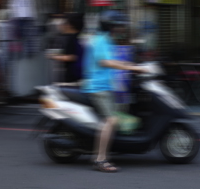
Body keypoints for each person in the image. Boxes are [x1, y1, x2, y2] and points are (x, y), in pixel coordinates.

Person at [82, 10, 145, 173]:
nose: (121, 29)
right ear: (111, 26)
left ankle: (99, 154)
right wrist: (131, 67)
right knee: (111, 120)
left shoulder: (106, 40)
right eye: (119, 26)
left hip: (105, 86)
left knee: (111, 120)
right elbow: (105, 62)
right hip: (99, 87)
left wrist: (133, 66)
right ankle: (100, 160)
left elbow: (113, 61)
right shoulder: (101, 40)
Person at [48, 13, 84, 84]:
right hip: (81, 73)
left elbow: (73, 57)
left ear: (70, 25)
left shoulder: (72, 39)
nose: (61, 26)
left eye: (64, 23)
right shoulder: (80, 37)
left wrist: (53, 56)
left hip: (74, 74)